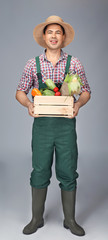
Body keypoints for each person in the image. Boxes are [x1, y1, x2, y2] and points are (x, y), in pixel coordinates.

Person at [16, 15, 91, 236]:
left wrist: (78, 104)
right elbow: (20, 91)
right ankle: (36, 218)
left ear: (64, 36)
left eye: (58, 32)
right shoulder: (33, 64)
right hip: (42, 126)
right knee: (39, 170)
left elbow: (86, 90)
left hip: (66, 125)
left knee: (68, 171)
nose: (54, 36)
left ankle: (70, 219)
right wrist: (29, 104)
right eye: (50, 32)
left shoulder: (74, 63)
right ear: (44, 36)